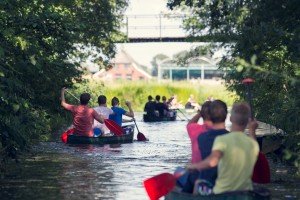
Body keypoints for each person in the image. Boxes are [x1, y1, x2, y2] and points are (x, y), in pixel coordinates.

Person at [187, 102, 259, 195]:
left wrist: (193, 166)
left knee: (197, 183)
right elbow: (254, 144)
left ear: (230, 118)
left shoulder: (222, 140)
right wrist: (252, 130)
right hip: (245, 191)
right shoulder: (253, 144)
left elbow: (212, 162)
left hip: (221, 192)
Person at [182, 100, 229, 193]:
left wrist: (199, 113)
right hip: (220, 176)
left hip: (199, 174)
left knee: (182, 176)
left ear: (203, 115)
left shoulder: (195, 130)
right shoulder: (226, 135)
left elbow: (189, 124)